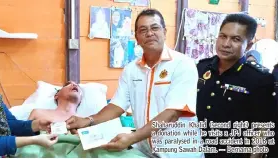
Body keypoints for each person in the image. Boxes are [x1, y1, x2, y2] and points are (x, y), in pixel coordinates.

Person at [66, 9, 204, 158]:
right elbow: (116, 106)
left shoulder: (183, 64)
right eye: (143, 30)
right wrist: (88, 121)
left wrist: (131, 138)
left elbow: (172, 114)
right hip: (144, 153)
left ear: (164, 32)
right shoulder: (131, 70)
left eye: (155, 28)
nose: (149, 33)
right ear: (136, 38)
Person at [196, 14, 277, 158]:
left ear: (249, 45)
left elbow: (263, 127)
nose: (226, 44)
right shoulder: (201, 69)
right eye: (222, 36)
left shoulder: (260, 79)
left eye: (236, 39)